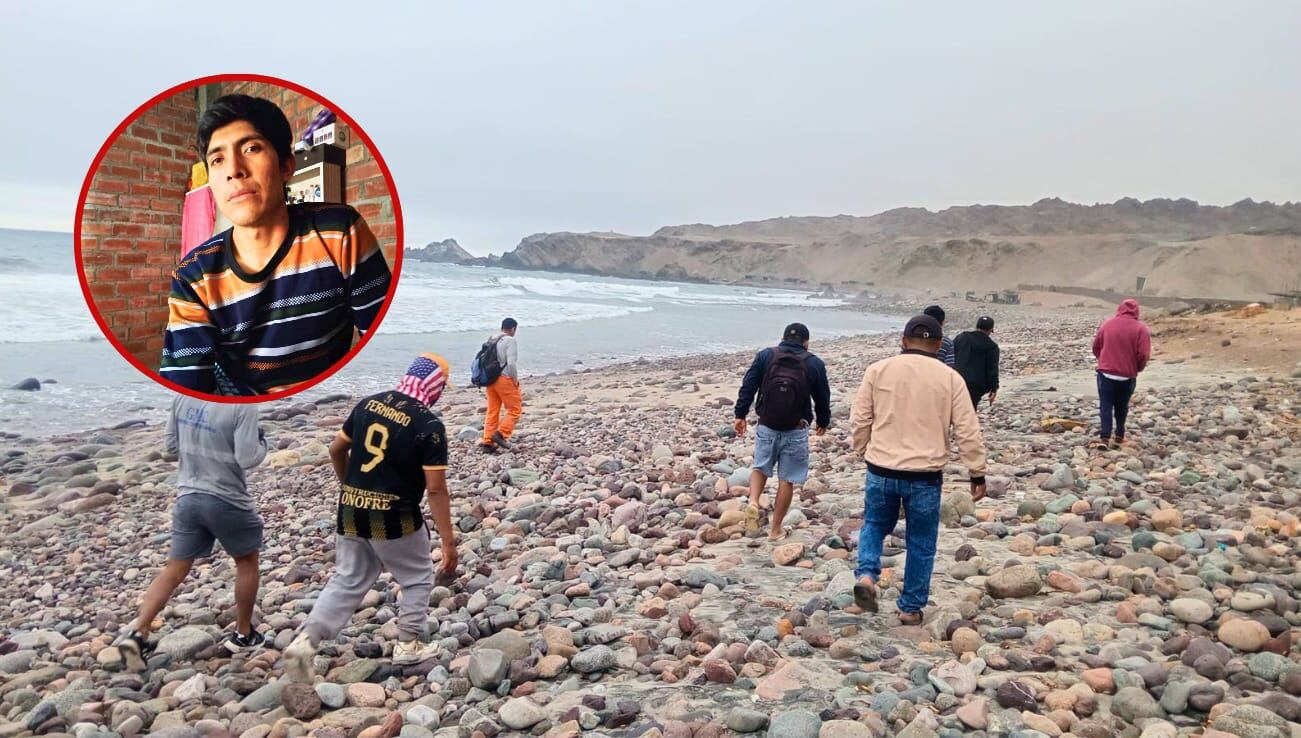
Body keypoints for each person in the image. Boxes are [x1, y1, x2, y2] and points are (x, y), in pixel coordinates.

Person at [160, 94, 392, 396]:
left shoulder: (339, 233)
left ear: (285, 166)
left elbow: (383, 347)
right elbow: (186, 391)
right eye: (218, 159)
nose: (234, 170)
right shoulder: (194, 276)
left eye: (251, 148)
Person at [285, 354, 459, 680]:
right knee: (418, 577)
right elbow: (435, 490)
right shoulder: (429, 426)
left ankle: (306, 641)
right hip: (395, 517)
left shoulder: (368, 404)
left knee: (347, 578)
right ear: (435, 386)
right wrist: (448, 541)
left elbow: (336, 449)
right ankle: (409, 644)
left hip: (350, 509)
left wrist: (349, 486)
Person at [849, 315, 987, 624]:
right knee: (921, 541)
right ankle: (910, 607)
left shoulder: (878, 370)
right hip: (924, 475)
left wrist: (863, 449)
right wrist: (976, 471)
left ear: (903, 340)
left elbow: (860, 418)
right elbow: (968, 429)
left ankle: (868, 575)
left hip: (881, 467)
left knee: (873, 524)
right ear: (939, 345)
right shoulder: (950, 378)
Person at [113, 397, 269, 670]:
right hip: (226, 499)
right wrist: (262, 442)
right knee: (246, 562)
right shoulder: (242, 403)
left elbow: (171, 448)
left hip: (188, 496)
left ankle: (139, 633)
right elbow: (248, 458)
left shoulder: (183, 396)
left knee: (174, 569)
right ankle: (243, 634)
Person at [733, 323, 832, 541]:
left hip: (767, 424)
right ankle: (775, 529)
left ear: (783, 338)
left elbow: (748, 386)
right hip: (795, 428)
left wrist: (740, 414)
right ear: (806, 342)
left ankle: (753, 501)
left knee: (760, 467)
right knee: (787, 479)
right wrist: (823, 421)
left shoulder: (766, 356)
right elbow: (822, 397)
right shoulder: (814, 363)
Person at [1091, 298, 1151, 449]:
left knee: (1106, 405)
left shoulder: (1108, 324)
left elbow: (1096, 346)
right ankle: (1119, 434)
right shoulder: (1141, 329)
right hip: (1127, 375)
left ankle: (1104, 438)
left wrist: (1103, 360)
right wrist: (1137, 368)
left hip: (1106, 373)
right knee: (1122, 405)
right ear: (1137, 311)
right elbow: (1143, 354)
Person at [480, 318, 522, 453]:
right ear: (513, 329)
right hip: (504, 379)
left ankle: (487, 441)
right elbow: (511, 363)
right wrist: (515, 380)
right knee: (514, 409)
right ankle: (501, 434)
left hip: (490, 379)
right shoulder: (510, 341)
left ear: (502, 327)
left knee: (493, 410)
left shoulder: (492, 338)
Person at [954, 315, 1001, 409]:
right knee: (968, 412)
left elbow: (951, 356)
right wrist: (994, 388)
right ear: (991, 330)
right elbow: (992, 369)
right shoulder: (992, 346)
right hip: (975, 386)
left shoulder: (961, 337)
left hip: (956, 381)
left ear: (976, 326)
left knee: (951, 410)